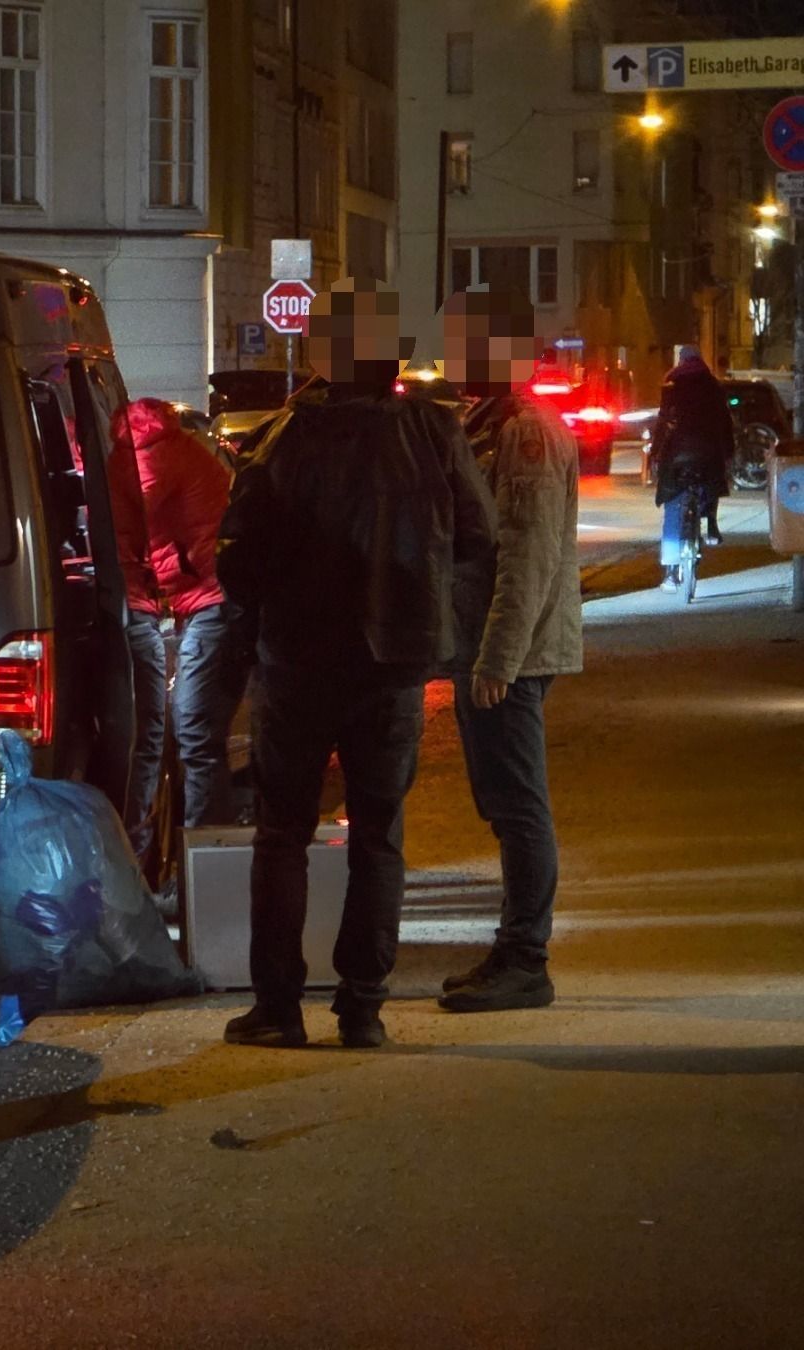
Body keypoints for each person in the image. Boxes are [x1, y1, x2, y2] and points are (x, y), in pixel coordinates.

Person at [216, 279, 496, 1049]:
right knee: (378, 834)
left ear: (320, 353)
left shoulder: (283, 437)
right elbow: (478, 533)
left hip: (298, 658)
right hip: (393, 659)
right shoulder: (433, 432)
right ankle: (363, 1007)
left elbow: (237, 557)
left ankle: (279, 1008)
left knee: (284, 833)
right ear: (393, 354)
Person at [437, 289, 583, 1013]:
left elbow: (526, 556)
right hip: (487, 646)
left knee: (520, 807)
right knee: (504, 804)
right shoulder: (489, 422)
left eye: (462, 341)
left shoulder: (526, 433)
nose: (450, 354)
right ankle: (513, 948)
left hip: (508, 655)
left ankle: (527, 959)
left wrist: (497, 659)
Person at [122, 398, 240, 828]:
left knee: (194, 726)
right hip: (210, 598)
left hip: (215, 600)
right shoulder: (170, 446)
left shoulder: (155, 458)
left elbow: (129, 515)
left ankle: (205, 843)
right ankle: (205, 842)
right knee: (197, 728)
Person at [105, 407, 166, 864]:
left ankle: (113, 842)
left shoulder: (112, 464)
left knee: (117, 731)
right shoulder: (156, 468)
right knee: (150, 731)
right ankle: (134, 852)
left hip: (109, 608)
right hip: (139, 610)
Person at [650, 345, 734, 587]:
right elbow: (725, 423)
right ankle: (711, 525)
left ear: (681, 361)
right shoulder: (714, 386)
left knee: (673, 505)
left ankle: (670, 572)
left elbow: (663, 423)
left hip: (676, 454)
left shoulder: (671, 386)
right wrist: (728, 453)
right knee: (710, 482)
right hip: (709, 452)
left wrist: (656, 453)